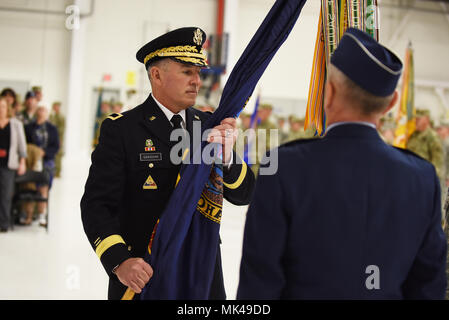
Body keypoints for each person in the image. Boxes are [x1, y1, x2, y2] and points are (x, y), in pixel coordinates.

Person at [237, 28, 447, 299]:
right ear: (392, 103)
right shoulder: (422, 179)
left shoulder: (283, 168)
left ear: (329, 92)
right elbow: (428, 287)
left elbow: (259, 285)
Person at [81, 27, 255, 300]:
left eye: (198, 73)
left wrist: (229, 156)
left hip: (202, 270)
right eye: (187, 71)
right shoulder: (124, 130)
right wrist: (119, 261)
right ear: (156, 75)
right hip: (146, 270)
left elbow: (245, 194)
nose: (197, 81)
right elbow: (96, 205)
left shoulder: (209, 127)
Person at [25, 106, 59, 227]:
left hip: (47, 161)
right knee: (30, 187)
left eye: (44, 110)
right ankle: (28, 215)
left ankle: (41, 215)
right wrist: (34, 152)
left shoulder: (52, 128)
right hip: (32, 161)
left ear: (47, 113)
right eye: (39, 109)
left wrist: (44, 152)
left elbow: (56, 146)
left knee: (43, 188)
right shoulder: (29, 127)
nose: (41, 112)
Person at [0, 97, 27, 232]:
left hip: (8, 164)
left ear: (7, 109)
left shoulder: (16, 124)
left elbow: (22, 146)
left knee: (5, 195)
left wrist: (22, 162)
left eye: (3, 107)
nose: (0, 109)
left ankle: (4, 224)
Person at [407, 109, 444, 182]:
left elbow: (437, 162)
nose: (416, 121)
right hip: (412, 175)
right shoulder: (414, 135)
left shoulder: (432, 137)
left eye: (419, 119)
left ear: (426, 120)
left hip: (424, 178)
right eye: (416, 119)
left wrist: (430, 179)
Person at [49, 101, 66, 177]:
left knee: (58, 155)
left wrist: (60, 139)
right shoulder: (52, 116)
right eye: (54, 106)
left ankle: (58, 172)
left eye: (56, 106)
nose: (55, 108)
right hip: (52, 137)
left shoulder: (61, 117)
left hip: (58, 137)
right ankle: (54, 171)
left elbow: (62, 129)